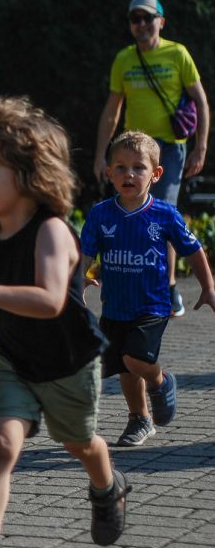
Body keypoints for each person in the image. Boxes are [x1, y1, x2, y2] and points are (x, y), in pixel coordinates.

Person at [0, 97, 129, 548]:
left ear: (28, 177)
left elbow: (49, 300)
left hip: (69, 363)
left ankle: (108, 487)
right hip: (16, 361)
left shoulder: (51, 231)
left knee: (79, 444)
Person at [81, 131, 215, 447]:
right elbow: (85, 253)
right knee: (122, 364)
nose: (129, 174)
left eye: (138, 168)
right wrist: (78, 280)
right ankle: (139, 419)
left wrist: (208, 287)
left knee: (135, 358)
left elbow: (193, 250)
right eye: (121, 167)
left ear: (155, 174)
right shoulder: (101, 214)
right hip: (114, 305)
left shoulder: (165, 214)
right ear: (110, 172)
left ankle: (161, 381)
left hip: (153, 306)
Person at [93, 0, 210, 317]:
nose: (142, 24)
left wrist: (200, 146)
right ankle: (141, 282)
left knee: (164, 213)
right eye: (135, 19)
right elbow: (111, 111)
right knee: (130, 211)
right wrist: (101, 154)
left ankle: (168, 286)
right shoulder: (124, 59)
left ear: (161, 21)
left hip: (169, 149)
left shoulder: (178, 53)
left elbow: (200, 101)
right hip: (133, 148)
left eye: (147, 18)